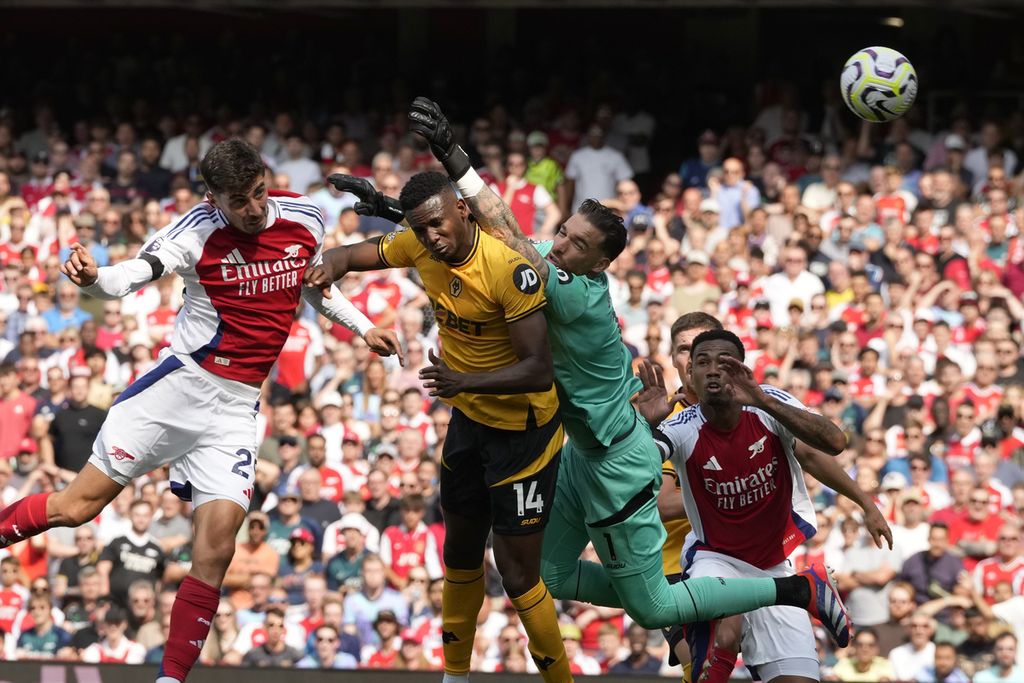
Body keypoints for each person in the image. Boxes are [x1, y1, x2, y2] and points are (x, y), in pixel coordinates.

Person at [315, 97, 857, 677]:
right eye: (564, 234)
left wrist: (454, 156)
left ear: (599, 264)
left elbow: (501, 233)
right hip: (580, 453)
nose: (561, 245)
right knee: (538, 576)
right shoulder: (556, 260)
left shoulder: (580, 294)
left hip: (618, 462)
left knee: (652, 611)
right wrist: (392, 209)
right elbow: (481, 239)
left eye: (575, 245)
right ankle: (691, 600)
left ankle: (796, 591)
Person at [0, 138, 402, 683]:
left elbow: (314, 286)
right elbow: (133, 275)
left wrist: (364, 327)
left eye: (260, 193)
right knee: (77, 508)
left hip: (236, 409)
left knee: (215, 550)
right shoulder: (195, 231)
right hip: (177, 391)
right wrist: (94, 278)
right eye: (241, 202)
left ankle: (171, 679)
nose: (256, 209)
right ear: (214, 198)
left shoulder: (305, 218)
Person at [307, 162, 572, 682]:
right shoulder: (421, 245)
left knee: (518, 577)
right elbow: (358, 254)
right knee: (458, 552)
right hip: (468, 422)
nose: (431, 238)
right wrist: (331, 263)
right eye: (420, 229)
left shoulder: (506, 269)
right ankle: (455, 676)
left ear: (464, 210)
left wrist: (463, 383)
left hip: (524, 433)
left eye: (438, 224)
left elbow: (540, 371)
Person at [638, 326, 890, 683]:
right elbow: (637, 475)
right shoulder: (679, 426)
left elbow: (832, 445)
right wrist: (642, 427)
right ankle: (800, 594)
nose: (712, 369)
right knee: (723, 634)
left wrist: (866, 504)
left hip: (774, 562)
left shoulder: (770, 403)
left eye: (722, 362)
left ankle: (807, 588)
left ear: (740, 368)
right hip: (714, 556)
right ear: (690, 373)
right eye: (701, 361)